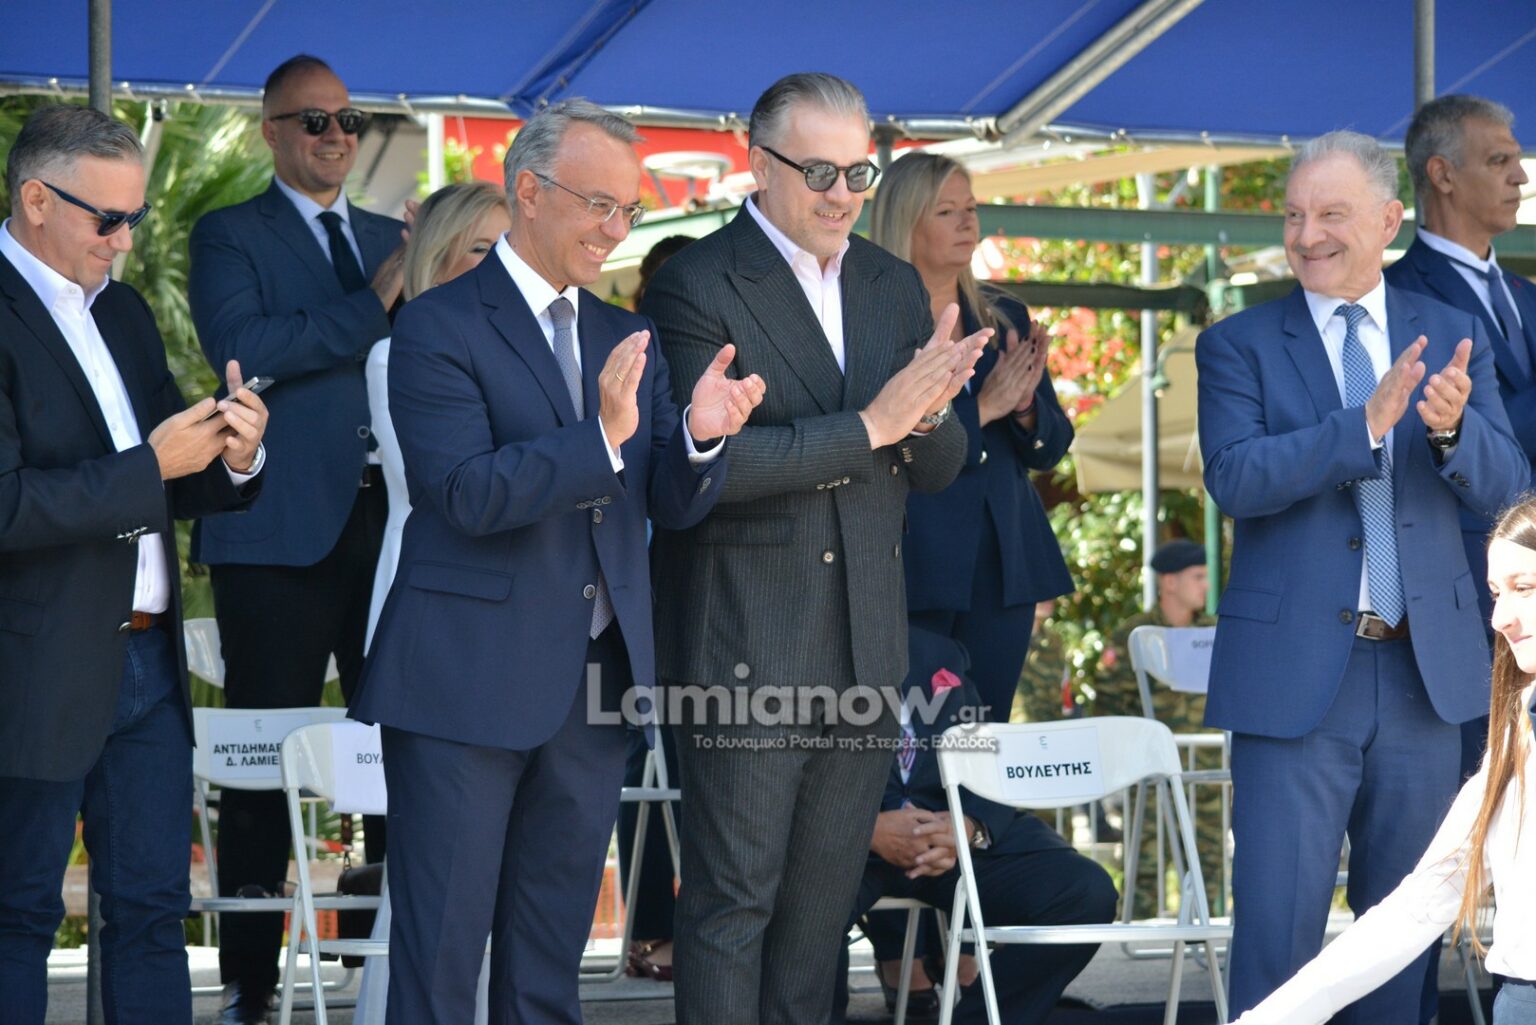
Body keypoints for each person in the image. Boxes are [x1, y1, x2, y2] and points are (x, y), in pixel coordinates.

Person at [349, 98, 764, 1025]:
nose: (616, 229)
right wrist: (602, 437)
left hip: (594, 690)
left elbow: (667, 503)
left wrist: (700, 436)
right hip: (463, 685)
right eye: (598, 205)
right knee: (439, 964)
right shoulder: (437, 324)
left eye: (630, 209)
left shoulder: (625, 334)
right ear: (529, 192)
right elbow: (463, 493)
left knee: (546, 972)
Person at [642, 71, 984, 1025]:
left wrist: (932, 404)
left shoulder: (888, 283)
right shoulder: (697, 283)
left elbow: (939, 466)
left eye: (858, 173)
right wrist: (874, 424)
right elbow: (701, 471)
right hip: (744, 644)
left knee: (818, 916)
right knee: (732, 904)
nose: (843, 195)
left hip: (866, 646)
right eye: (820, 172)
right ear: (759, 165)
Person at [1196, 130, 1528, 1022]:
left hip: (1427, 678)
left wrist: (1453, 432)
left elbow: (1512, 485)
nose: (1307, 235)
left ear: (1388, 220)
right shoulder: (1238, 342)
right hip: (1294, 681)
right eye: (1294, 216)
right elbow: (1234, 478)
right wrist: (1363, 426)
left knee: (1401, 944)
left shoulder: (1452, 332)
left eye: (1331, 214)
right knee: (1277, 943)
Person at [0, 104, 268, 1025]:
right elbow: (10, 504)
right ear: (36, 199)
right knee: (18, 914)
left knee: (154, 911)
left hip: (148, 663)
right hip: (32, 663)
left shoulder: (123, 311)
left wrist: (235, 456)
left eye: (136, 217)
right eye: (107, 218)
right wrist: (151, 466)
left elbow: (167, 473)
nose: (124, 240)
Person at [187, 53, 406, 1024]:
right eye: (313, 120)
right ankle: (250, 979)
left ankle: (391, 954)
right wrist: (374, 302)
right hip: (274, 528)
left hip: (394, 523)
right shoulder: (229, 233)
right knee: (263, 759)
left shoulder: (394, 236)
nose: (336, 136)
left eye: (349, 120)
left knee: (401, 745)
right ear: (270, 131)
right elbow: (249, 351)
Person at [1234, 494, 1536, 1025]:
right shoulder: (1518, 734)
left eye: (1525, 588)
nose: (1499, 618)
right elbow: (1420, 903)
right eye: (1494, 593)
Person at [869, 151, 1074, 723]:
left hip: (1003, 558)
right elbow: (879, 434)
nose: (967, 222)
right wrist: (982, 408)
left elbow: (1052, 448)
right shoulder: (870, 320)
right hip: (913, 557)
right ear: (907, 222)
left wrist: (1026, 405)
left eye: (972, 208)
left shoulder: (1004, 314)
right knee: (918, 735)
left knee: (988, 731)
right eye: (947, 211)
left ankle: (977, 796)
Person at [832, 628, 1118, 1025]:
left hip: (948, 838)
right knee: (804, 908)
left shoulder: (940, 653)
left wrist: (968, 827)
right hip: (843, 844)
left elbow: (988, 757)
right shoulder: (797, 648)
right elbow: (774, 780)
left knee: (1083, 892)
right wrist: (868, 830)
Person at [1387, 95, 1536, 780]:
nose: (1521, 176)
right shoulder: (1392, 300)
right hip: (1466, 601)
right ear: (1442, 174)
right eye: (1500, 160)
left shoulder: (1525, 295)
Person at [363, 180, 512, 652]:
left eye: (507, 246)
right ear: (435, 258)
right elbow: (443, 484)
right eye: (480, 248)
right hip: (433, 594)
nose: (500, 262)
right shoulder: (392, 355)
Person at [616, 233, 695, 984]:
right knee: (637, 758)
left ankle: (686, 931)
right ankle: (647, 931)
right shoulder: (623, 359)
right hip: (628, 592)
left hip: (698, 592)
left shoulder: (722, 365)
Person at [1095, 538, 1221, 917]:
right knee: (1145, 869)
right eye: (1197, 577)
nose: (1206, 585)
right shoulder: (1134, 635)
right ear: (1169, 582)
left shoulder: (1215, 632)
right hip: (1150, 774)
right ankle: (1138, 943)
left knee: (1209, 863)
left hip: (1207, 772)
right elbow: (1109, 705)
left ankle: (1201, 941)